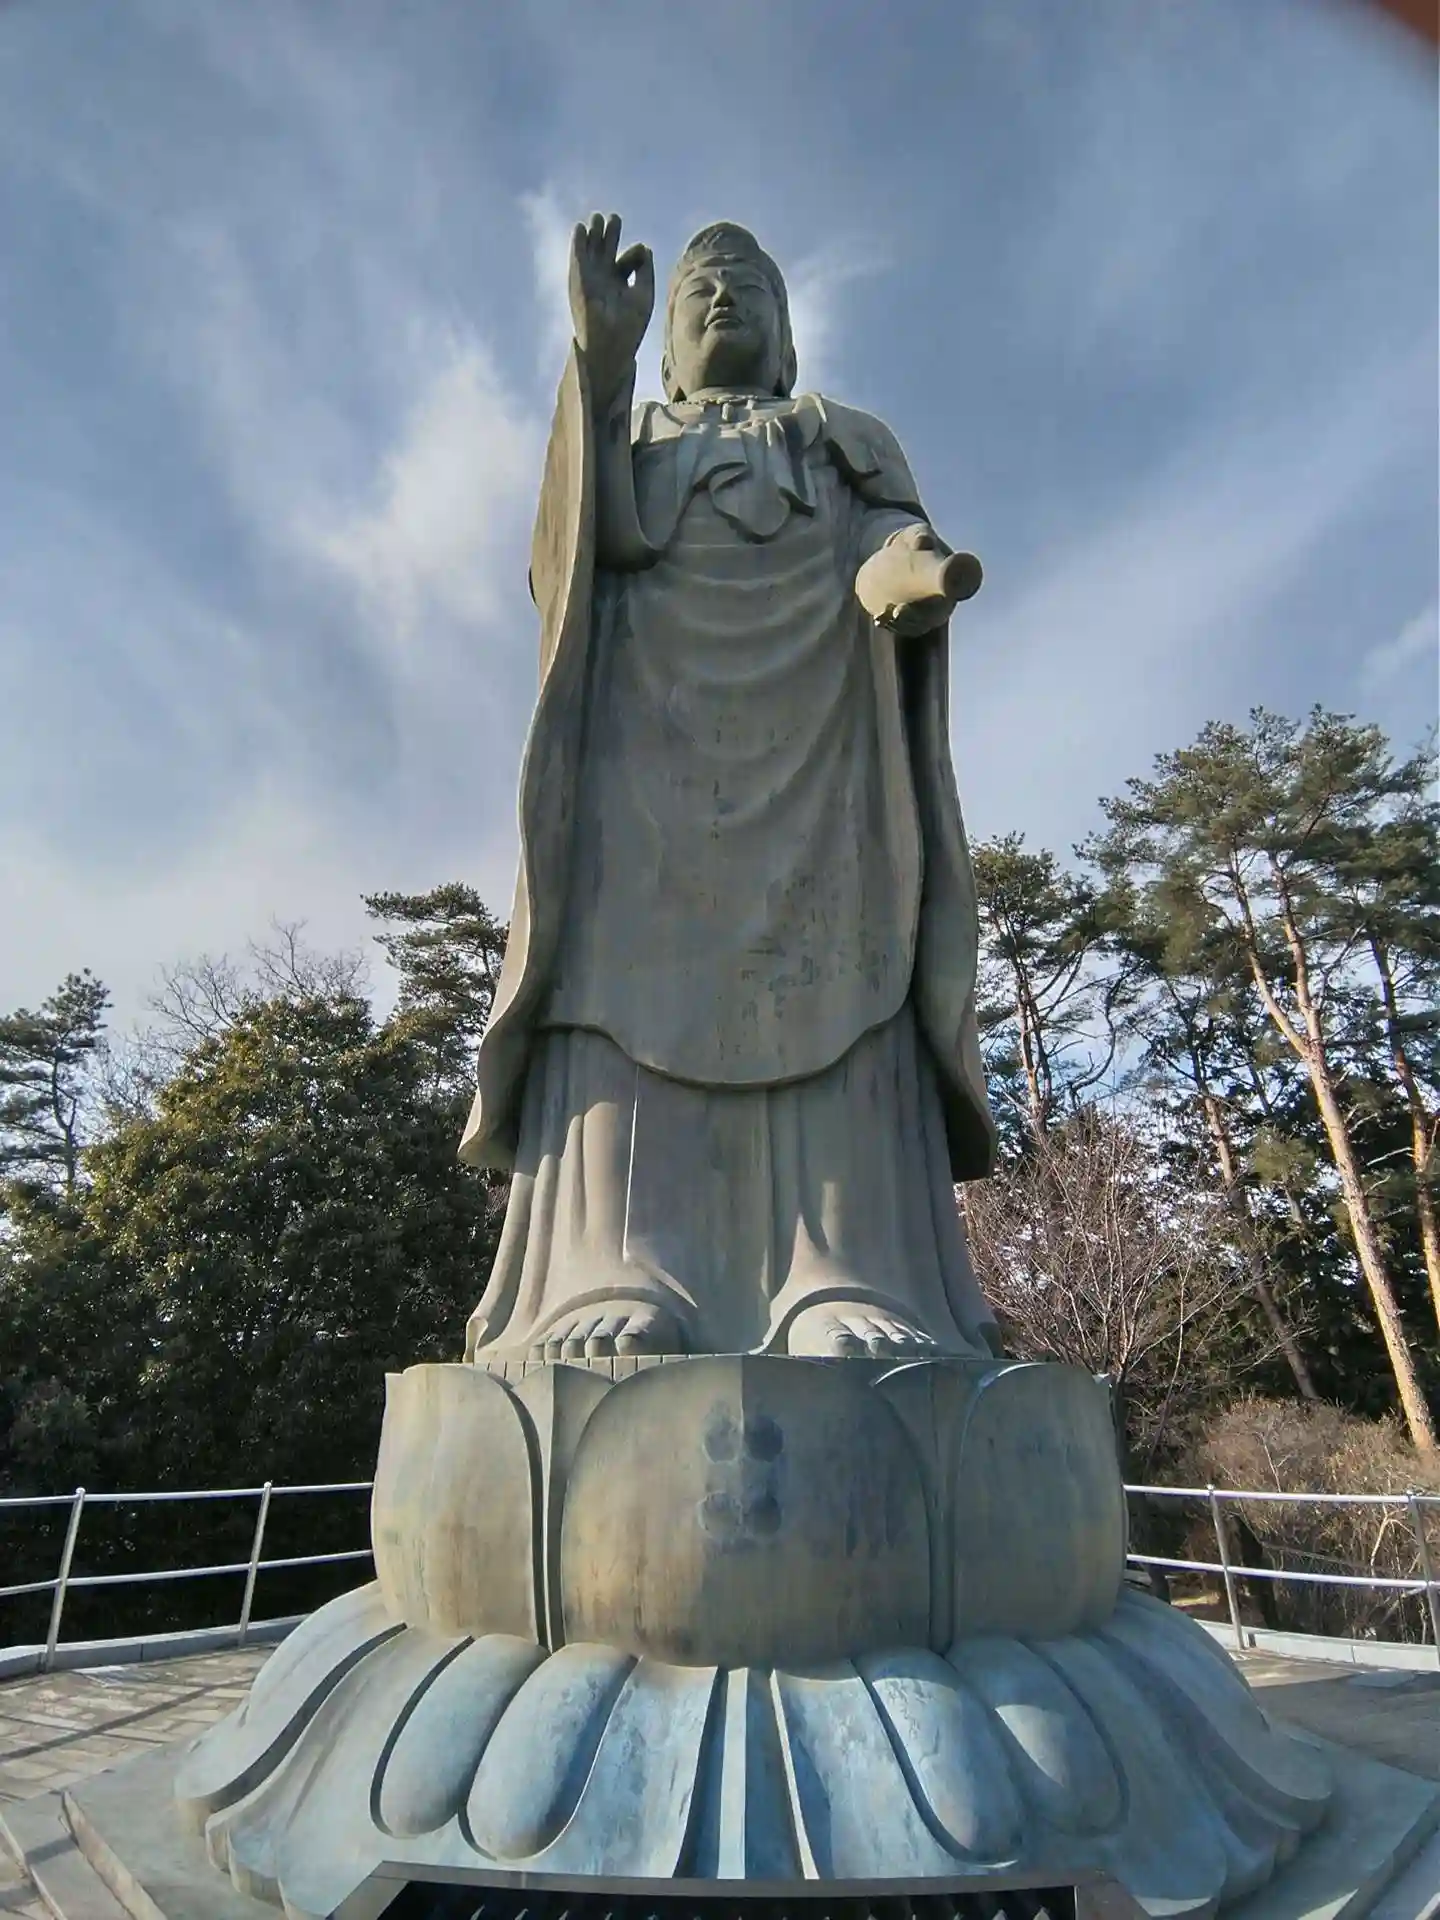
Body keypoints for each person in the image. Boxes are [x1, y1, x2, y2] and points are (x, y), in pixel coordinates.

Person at [458, 214, 1001, 1364]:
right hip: (641, 772)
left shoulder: (841, 437)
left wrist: (912, 574)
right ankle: (612, 1264)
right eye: (699, 286)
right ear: (664, 350)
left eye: (750, 285)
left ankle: (842, 1270)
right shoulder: (632, 435)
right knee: (616, 983)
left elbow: (889, 540)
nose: (722, 296)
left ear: (789, 340)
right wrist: (597, 367)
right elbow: (562, 558)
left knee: (843, 976)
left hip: (823, 771)